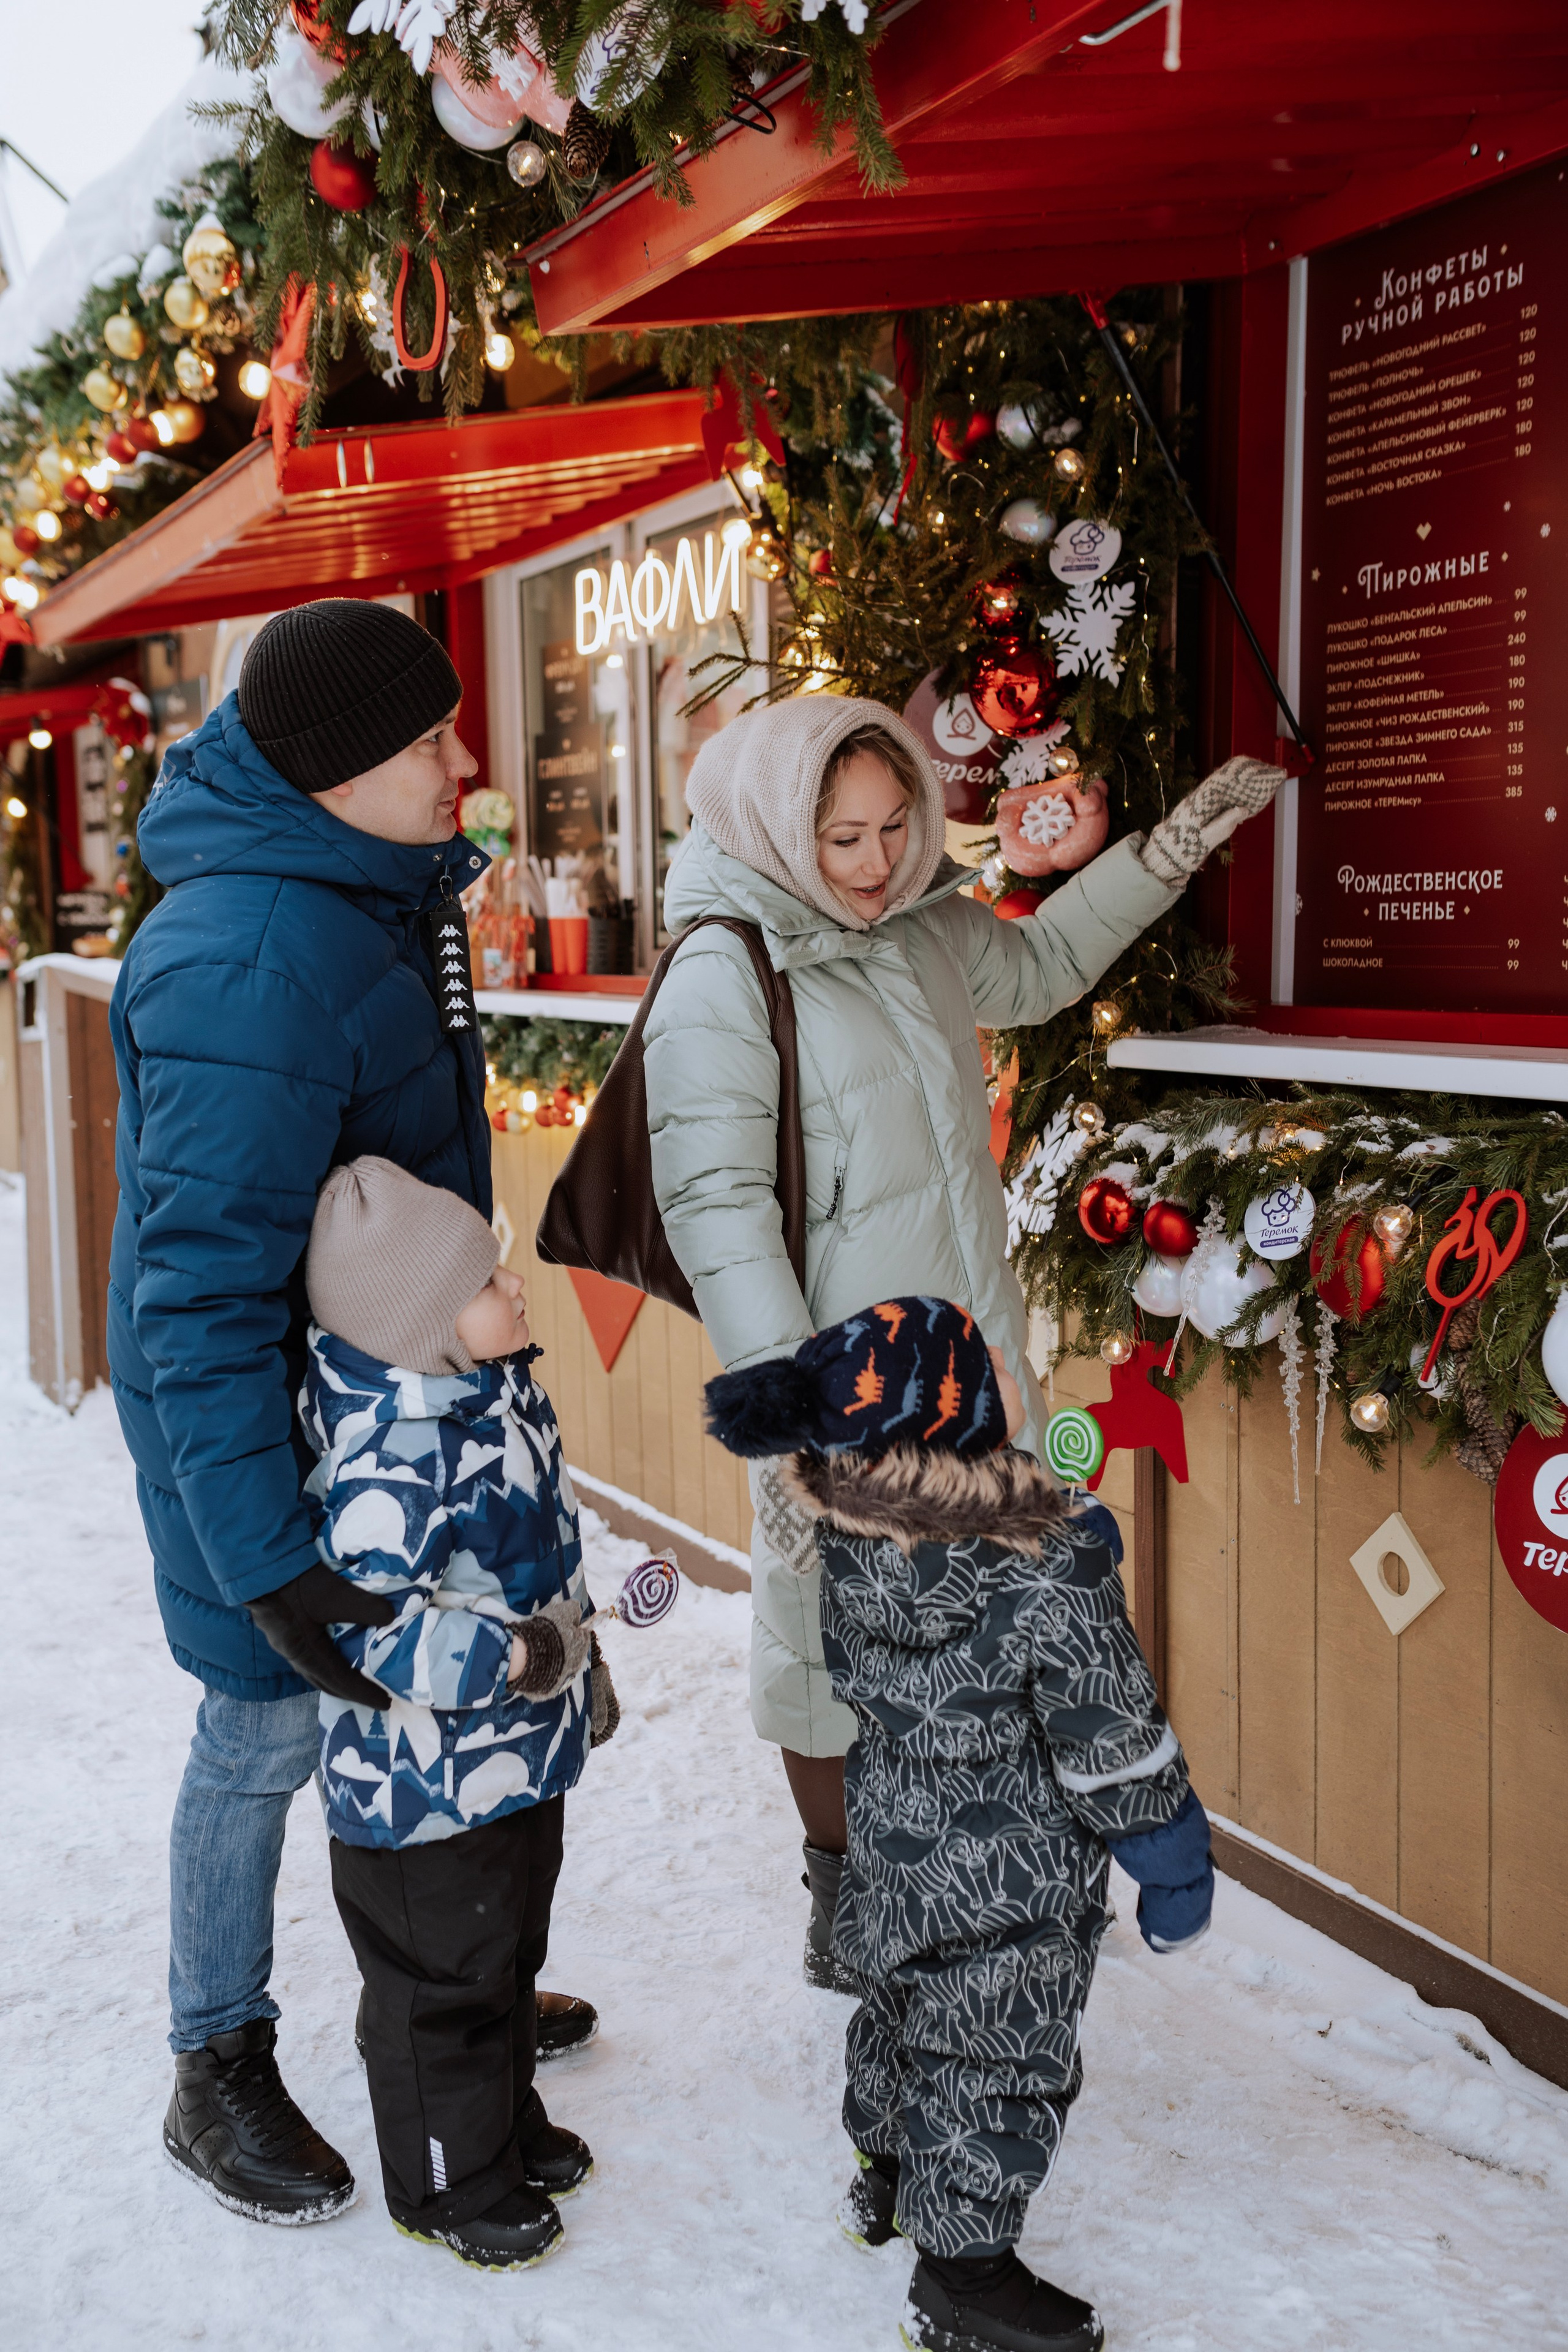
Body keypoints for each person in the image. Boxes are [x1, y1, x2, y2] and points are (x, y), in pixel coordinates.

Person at [642, 692, 1277, 1985]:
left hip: (969, 1361)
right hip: (844, 1376)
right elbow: (715, 1202)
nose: (875, 862)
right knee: (828, 1640)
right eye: (840, 839)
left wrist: (1159, 856)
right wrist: (790, 1406)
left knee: (980, 1625)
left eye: (892, 827)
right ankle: (844, 1902)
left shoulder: (923, 927)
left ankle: (957, 1878)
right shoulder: (724, 966)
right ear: (774, 830)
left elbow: (1038, 974)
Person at [108, 600, 595, 2228]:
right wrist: (265, 1556)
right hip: (261, 1436)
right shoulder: (252, 954)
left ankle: (443, 1991)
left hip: (387, 1414)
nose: (468, 757)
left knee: (421, 1705)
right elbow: (198, 1299)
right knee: (263, 1720)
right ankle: (215, 2053)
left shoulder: (368, 890)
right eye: (431, 738)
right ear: (332, 772)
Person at [704, 1295, 1214, 2352]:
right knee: (994, 2057)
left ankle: (885, 2171)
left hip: (892, 1839)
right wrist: (1170, 1861)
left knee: (900, 2006)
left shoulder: (848, 1542)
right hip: (1015, 1884)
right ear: (972, 1415)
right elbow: (1111, 1733)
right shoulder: (1047, 1569)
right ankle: (963, 2279)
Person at [299, 1155, 612, 2270]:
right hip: (419, 1791)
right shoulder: (391, 1453)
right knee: (447, 1988)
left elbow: (543, 1557)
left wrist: (581, 1664)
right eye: (488, 1280)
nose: (515, 1288)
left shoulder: (495, 1396)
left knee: (510, 1954)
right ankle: (445, 2178)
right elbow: (369, 1630)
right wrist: (523, 1654)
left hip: (508, 1764)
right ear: (424, 1323)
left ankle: (500, 2129)